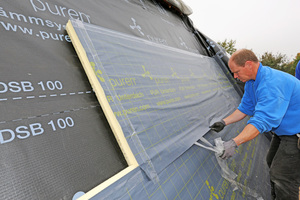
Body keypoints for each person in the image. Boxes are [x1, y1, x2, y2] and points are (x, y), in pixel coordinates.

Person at [209, 49, 300, 200]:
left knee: (283, 175)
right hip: (284, 131)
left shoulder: (271, 84)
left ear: (248, 65)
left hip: (296, 133)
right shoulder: (252, 83)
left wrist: (234, 142)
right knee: (271, 163)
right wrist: (223, 122)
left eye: (236, 72)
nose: (235, 76)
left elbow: (261, 121)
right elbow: (245, 108)